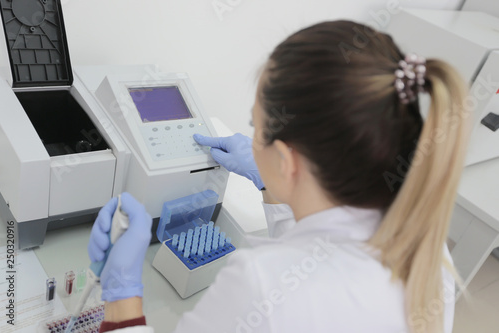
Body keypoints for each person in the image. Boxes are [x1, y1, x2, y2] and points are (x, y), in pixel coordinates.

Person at [88, 20, 470, 333]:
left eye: (257, 128)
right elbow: (315, 258)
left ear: (288, 159)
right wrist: (270, 185)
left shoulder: (259, 284)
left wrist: (121, 295)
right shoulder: (430, 250)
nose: (253, 140)